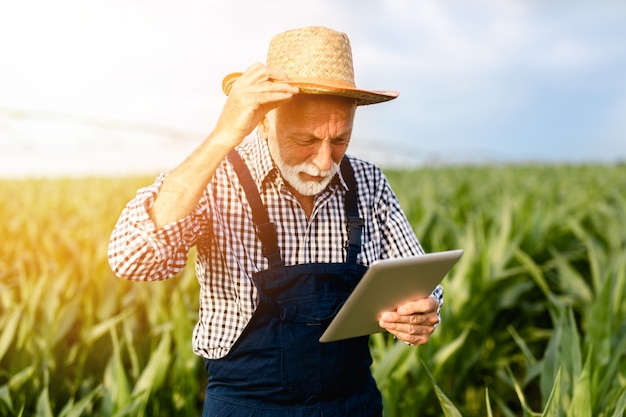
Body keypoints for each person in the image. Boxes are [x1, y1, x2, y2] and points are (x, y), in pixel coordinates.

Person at [108, 26, 443, 416]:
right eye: (305, 141)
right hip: (247, 406)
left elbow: (422, 283)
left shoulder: (368, 182)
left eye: (339, 141)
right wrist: (222, 136)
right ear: (264, 121)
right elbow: (132, 259)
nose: (323, 162)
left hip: (351, 404)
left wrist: (422, 312)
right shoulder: (216, 179)